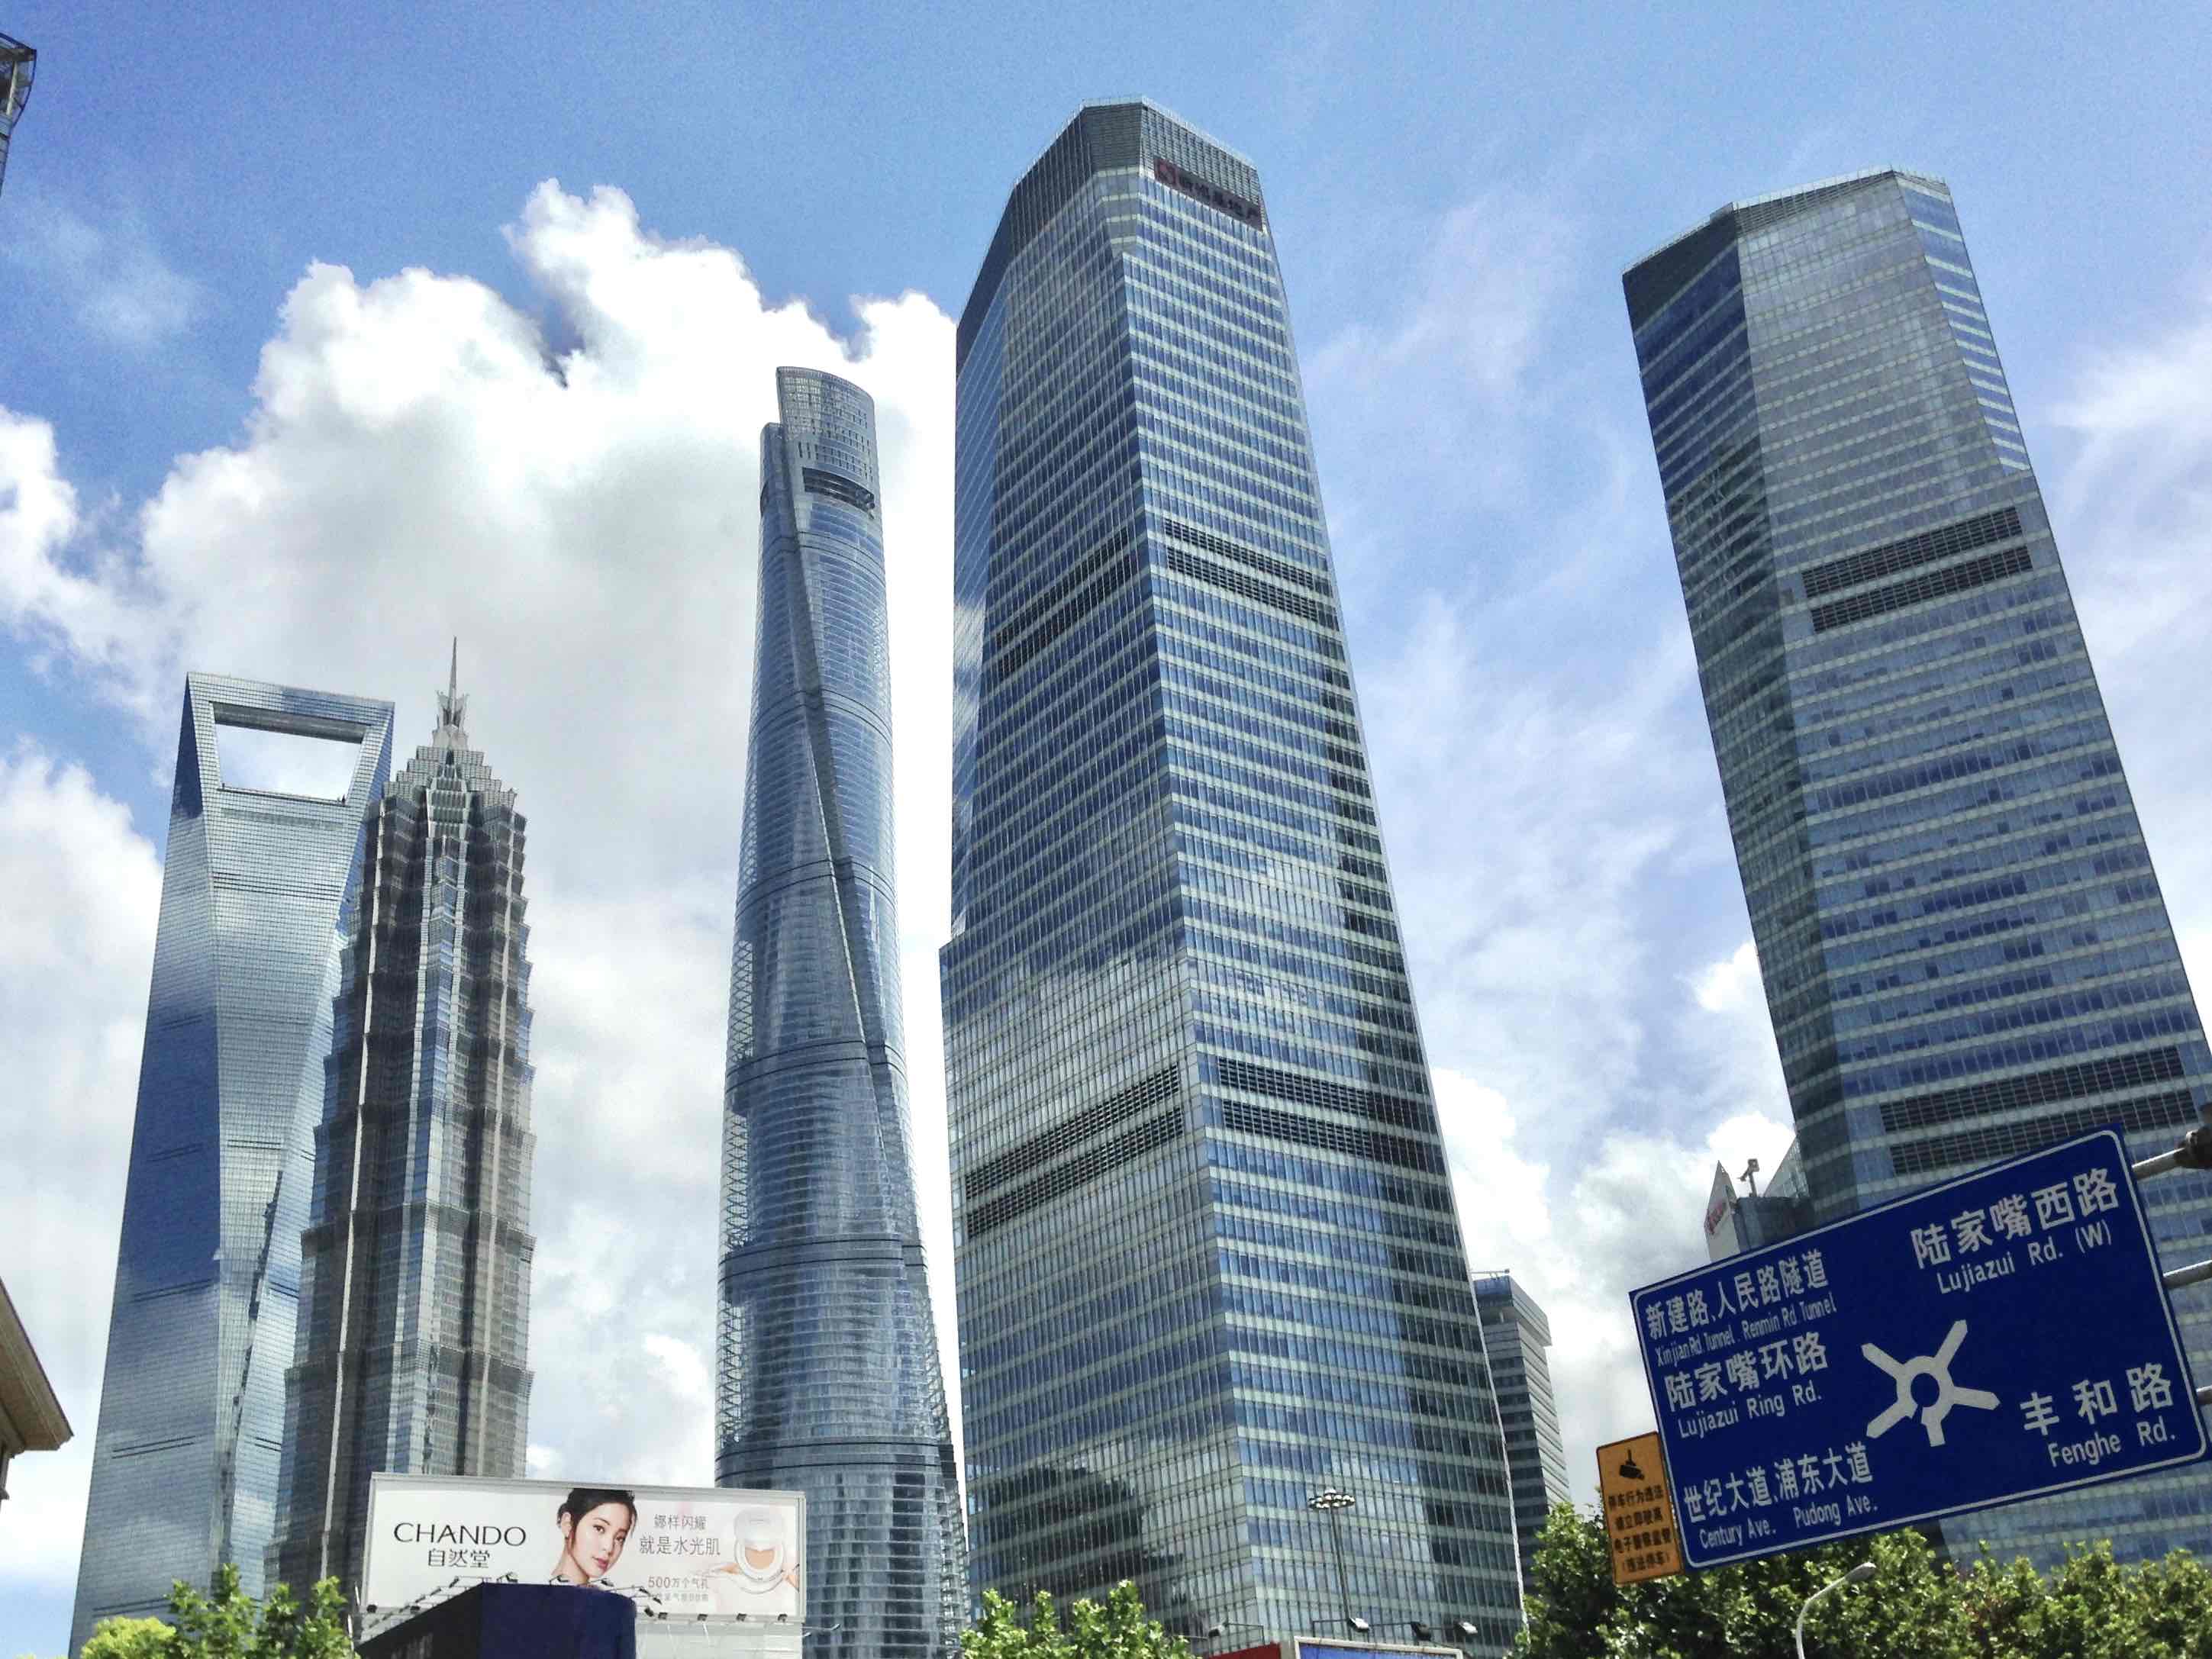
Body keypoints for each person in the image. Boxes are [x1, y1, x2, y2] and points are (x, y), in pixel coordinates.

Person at [550, 1487, 637, 1587]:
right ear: (568, 1524)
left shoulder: (610, 1595)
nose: (609, 1548)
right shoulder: (538, 1591)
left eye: (619, 1538)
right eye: (599, 1528)